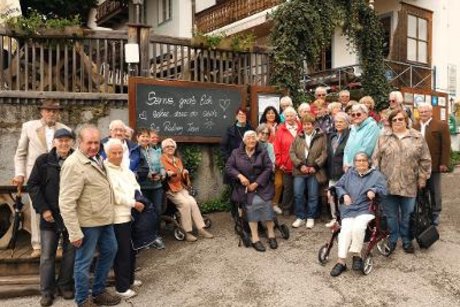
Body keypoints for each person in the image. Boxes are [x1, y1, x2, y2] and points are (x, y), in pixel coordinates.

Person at [59, 125, 120, 307]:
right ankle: (82, 300)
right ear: (79, 142)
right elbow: (66, 202)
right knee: (83, 263)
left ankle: (99, 292)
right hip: (87, 223)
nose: (94, 146)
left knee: (110, 251)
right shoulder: (73, 164)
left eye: (96, 142)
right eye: (89, 143)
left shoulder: (95, 157)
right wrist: (74, 232)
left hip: (104, 220)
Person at [13, 99, 70, 257]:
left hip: (58, 175)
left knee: (59, 207)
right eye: (48, 110)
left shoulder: (65, 129)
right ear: (41, 112)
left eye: (54, 111)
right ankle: (37, 245)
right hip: (35, 173)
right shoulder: (29, 126)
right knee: (36, 207)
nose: (51, 113)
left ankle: (58, 245)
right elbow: (21, 153)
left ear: (58, 113)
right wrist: (19, 174)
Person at [28, 128, 76, 307]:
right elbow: (33, 185)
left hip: (71, 215)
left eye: (67, 140)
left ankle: (64, 285)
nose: (64, 143)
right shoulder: (43, 161)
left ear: (72, 142)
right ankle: (47, 291)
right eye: (60, 140)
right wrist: (43, 209)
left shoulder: (77, 159)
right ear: (54, 142)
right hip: (49, 215)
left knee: (71, 252)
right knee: (47, 255)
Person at [373, 110, 431, 253]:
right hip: (388, 184)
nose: (398, 122)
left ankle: (406, 240)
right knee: (391, 215)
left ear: (406, 120)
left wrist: (422, 178)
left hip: (409, 183)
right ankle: (393, 239)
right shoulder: (383, 137)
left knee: (407, 215)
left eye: (401, 119)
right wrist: (377, 179)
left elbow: (425, 159)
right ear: (391, 122)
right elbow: (375, 159)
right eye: (395, 120)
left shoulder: (417, 137)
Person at [330, 152, 388, 277]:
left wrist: (374, 190)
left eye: (364, 160)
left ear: (369, 162)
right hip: (349, 209)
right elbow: (338, 186)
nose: (361, 163)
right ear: (354, 162)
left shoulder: (376, 175)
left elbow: (384, 190)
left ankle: (356, 256)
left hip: (366, 209)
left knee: (358, 227)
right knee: (345, 230)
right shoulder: (350, 173)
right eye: (358, 160)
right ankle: (341, 261)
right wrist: (344, 194)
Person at [104, 138, 144, 299]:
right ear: (107, 153)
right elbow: (114, 195)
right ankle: (121, 288)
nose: (118, 155)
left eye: (120, 152)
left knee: (132, 250)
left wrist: (139, 198)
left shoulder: (125, 169)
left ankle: (130, 279)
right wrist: (133, 203)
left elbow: (135, 185)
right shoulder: (105, 170)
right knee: (122, 253)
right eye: (114, 152)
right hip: (118, 218)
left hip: (133, 214)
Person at [225, 130, 277, 252]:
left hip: (261, 186)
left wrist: (257, 183)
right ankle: (255, 238)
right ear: (244, 140)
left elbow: (268, 168)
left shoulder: (262, 152)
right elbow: (229, 167)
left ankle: (271, 234)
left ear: (257, 140)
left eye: (253, 138)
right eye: (248, 138)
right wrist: (240, 176)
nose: (251, 140)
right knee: (251, 204)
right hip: (244, 188)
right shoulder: (236, 153)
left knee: (267, 203)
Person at [160, 138, 214, 242]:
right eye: (167, 147)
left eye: (172, 147)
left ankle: (201, 229)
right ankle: (187, 232)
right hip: (170, 189)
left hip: (180, 187)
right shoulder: (161, 160)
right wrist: (167, 174)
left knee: (192, 202)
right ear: (163, 149)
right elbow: (162, 175)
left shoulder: (177, 160)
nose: (170, 148)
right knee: (185, 204)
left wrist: (184, 172)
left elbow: (181, 177)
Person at [413, 103, 451, 226]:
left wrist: (444, 163)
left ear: (431, 112)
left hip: (434, 164)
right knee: (421, 189)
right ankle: (424, 212)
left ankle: (435, 214)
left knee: (435, 190)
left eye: (425, 111)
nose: (423, 114)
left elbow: (446, 146)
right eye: (421, 112)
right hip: (418, 165)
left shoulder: (441, 125)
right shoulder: (415, 126)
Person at [290, 113, 327, 229]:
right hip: (299, 171)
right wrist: (300, 165)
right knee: (298, 194)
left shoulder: (321, 137)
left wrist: (315, 166)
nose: (306, 127)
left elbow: (324, 153)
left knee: (313, 195)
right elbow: (292, 152)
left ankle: (310, 217)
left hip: (314, 171)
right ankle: (300, 217)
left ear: (313, 125)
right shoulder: (298, 136)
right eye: (304, 124)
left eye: (309, 124)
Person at [137, 128, 165, 249]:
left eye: (147, 136)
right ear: (137, 138)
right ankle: (145, 238)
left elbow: (161, 165)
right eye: (142, 136)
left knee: (157, 211)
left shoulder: (154, 151)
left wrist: (162, 174)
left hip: (157, 186)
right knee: (144, 212)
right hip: (143, 187)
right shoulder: (135, 151)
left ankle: (156, 236)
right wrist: (149, 175)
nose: (145, 138)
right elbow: (136, 168)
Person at [273, 106, 302, 216]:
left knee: (299, 188)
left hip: (299, 163)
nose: (290, 118)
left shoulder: (301, 128)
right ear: (284, 117)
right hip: (286, 164)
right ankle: (286, 208)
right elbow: (277, 147)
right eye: (287, 116)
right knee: (288, 188)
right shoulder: (280, 129)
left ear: (296, 116)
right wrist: (280, 163)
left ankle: (297, 209)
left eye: (292, 115)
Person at [325, 112, 350, 227]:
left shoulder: (350, 136)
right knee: (331, 196)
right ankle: (334, 218)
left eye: (341, 122)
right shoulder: (332, 136)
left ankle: (344, 219)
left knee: (342, 196)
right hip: (332, 172)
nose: (338, 124)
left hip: (343, 172)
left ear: (347, 123)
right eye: (336, 122)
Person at [343, 104, 380, 170]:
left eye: (358, 114)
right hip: (349, 167)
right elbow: (347, 148)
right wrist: (345, 163)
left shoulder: (372, 126)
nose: (356, 116)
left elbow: (367, 148)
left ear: (366, 114)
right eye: (353, 115)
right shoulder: (353, 127)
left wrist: (352, 164)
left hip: (362, 166)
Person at [256, 124, 280, 214]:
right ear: (258, 133)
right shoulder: (253, 143)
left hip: (266, 174)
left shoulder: (269, 146)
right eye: (262, 133)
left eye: (267, 134)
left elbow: (272, 161)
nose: (265, 135)